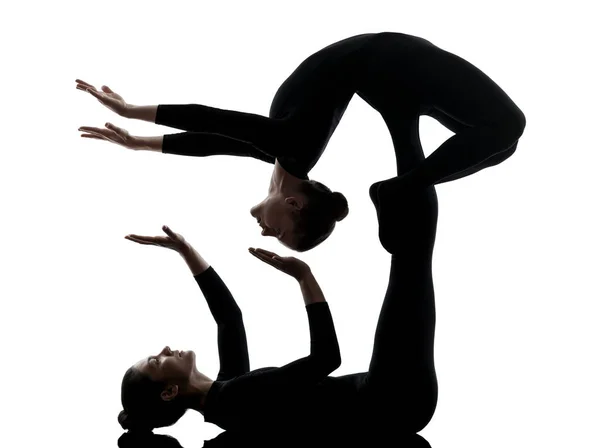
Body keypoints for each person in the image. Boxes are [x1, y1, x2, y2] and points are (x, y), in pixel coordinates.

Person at [76, 31, 525, 252]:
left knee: (500, 141)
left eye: (273, 238)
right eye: (281, 234)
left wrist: (135, 135)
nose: (267, 233)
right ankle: (397, 188)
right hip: (394, 63)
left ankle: (401, 185)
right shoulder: (297, 146)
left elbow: (209, 138)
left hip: (389, 74)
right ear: (293, 205)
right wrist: (131, 117)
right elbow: (212, 121)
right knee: (507, 131)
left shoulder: (280, 150)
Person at [118, 209, 438, 435]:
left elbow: (230, 319)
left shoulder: (225, 395)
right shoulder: (235, 398)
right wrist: (304, 277)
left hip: (396, 401)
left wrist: (185, 251)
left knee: (413, 248)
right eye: (155, 362)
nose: (163, 349)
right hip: (392, 398)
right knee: (413, 247)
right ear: (169, 392)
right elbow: (326, 358)